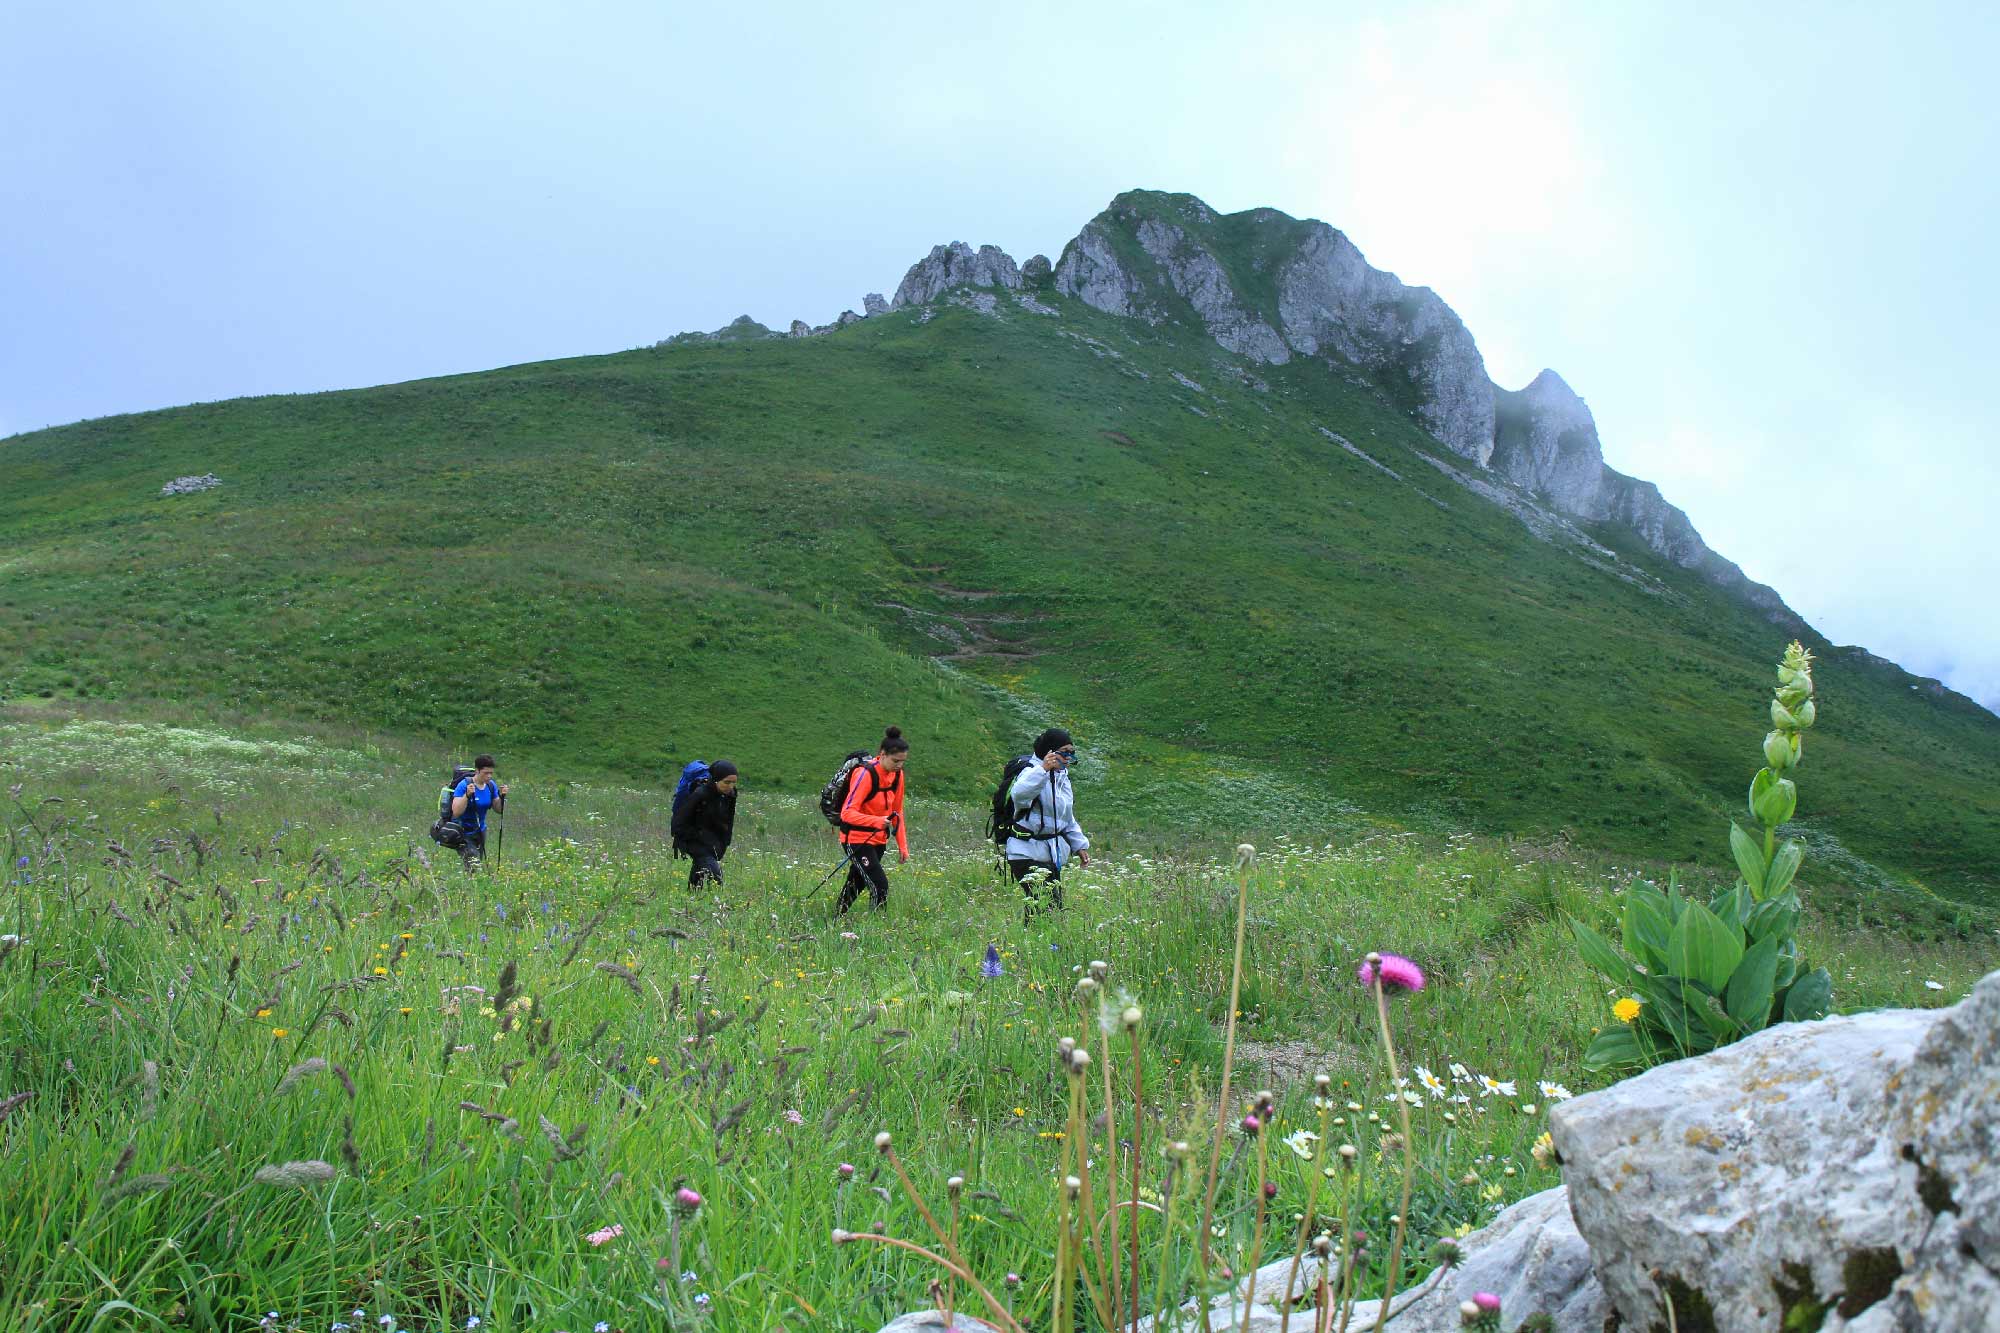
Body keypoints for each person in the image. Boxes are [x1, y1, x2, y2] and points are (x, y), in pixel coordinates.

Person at [1007, 727, 1090, 919]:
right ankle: (1040, 945)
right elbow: (1019, 795)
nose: (1069, 757)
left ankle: (1034, 945)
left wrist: (1079, 846)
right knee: (1046, 906)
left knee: (1048, 908)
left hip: (1050, 853)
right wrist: (1043, 770)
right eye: (1065, 752)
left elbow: (1066, 818)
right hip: (1024, 851)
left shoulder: (1062, 778)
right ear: (1050, 752)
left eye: (1072, 753)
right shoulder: (1030, 771)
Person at [835, 726, 910, 913]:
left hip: (878, 840)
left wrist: (903, 845)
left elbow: (897, 810)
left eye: (902, 761)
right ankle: (876, 928)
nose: (899, 765)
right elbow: (847, 813)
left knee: (857, 881)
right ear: (882, 754)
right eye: (895, 761)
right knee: (880, 884)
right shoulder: (865, 774)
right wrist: (876, 821)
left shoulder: (897, 775)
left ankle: (836, 917)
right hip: (855, 839)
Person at [671, 760, 739, 890]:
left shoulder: (730, 795)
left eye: (733, 782)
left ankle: (691, 897)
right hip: (692, 839)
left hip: (713, 841)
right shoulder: (700, 794)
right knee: (715, 875)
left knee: (699, 871)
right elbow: (678, 823)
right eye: (726, 782)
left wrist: (725, 842)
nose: (730, 786)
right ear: (715, 780)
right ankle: (717, 904)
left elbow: (729, 820)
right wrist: (698, 837)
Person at [448, 755, 508, 871]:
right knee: (474, 866)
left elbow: (498, 809)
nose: (489, 776)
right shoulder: (464, 785)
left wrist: (502, 796)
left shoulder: (491, 785)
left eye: (491, 773)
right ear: (477, 771)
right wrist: (467, 795)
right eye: (486, 773)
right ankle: (471, 885)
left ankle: (468, 886)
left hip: (480, 831)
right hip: (463, 832)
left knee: (474, 864)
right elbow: (456, 812)